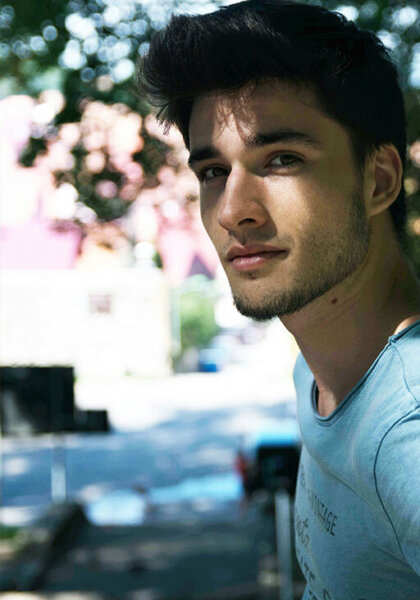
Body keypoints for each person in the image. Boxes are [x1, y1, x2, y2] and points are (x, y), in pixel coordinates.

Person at [139, 1, 420, 598]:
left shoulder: (407, 434)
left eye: (282, 159)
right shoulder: (318, 374)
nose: (233, 210)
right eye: (213, 171)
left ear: (379, 181)